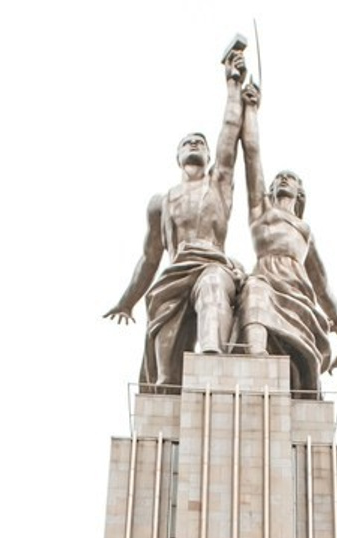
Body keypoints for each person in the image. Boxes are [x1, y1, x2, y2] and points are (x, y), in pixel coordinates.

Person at [105, 45, 248, 390]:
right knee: (166, 377)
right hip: (173, 276)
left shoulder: (219, 184)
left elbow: (230, 131)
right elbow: (150, 257)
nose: (196, 144)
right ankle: (167, 410)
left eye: (201, 142)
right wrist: (127, 300)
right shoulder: (161, 202)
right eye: (189, 142)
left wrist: (232, 86)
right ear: (178, 155)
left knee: (214, 285)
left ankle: (213, 359)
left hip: (211, 264)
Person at [235, 81, 337, 395]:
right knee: (253, 288)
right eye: (278, 178)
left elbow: (321, 282)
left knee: (306, 370)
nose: (282, 180)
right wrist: (251, 110)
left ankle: (305, 393)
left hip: (299, 294)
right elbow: (252, 155)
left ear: (300, 192)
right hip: (266, 279)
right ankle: (256, 359)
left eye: (289, 178)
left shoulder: (305, 231)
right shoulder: (260, 210)